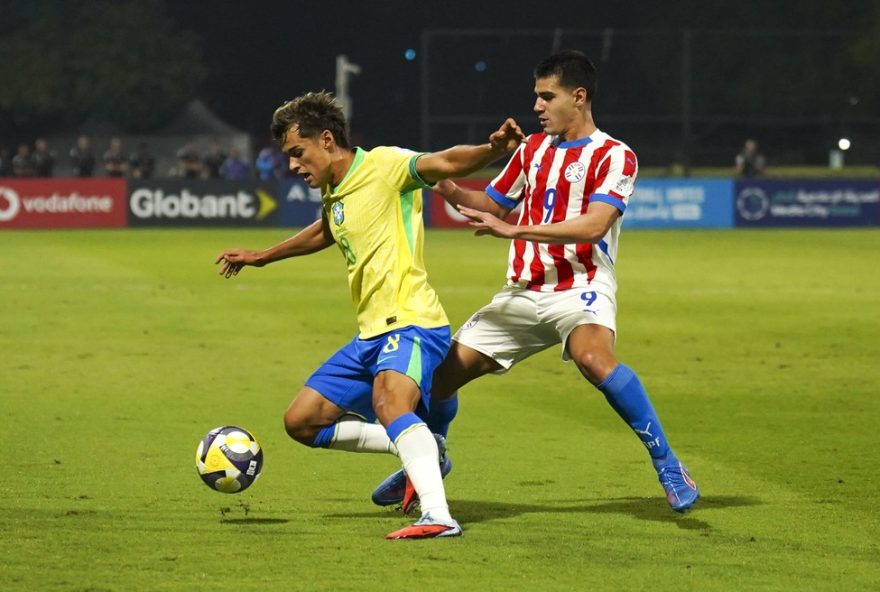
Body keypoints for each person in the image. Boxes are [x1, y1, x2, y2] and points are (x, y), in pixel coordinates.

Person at [372, 50, 700, 514]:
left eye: (548, 97)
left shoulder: (615, 155)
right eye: (537, 97)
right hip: (523, 293)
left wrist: (515, 230)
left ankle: (668, 463)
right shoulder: (532, 150)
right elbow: (491, 205)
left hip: (580, 286)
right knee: (440, 377)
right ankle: (431, 458)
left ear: (579, 97)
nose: (537, 106)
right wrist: (443, 183)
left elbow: (594, 225)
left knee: (592, 358)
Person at [215, 91, 523, 539]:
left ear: (326, 140)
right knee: (301, 421)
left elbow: (445, 162)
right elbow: (328, 229)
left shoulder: (384, 165)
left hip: (412, 321)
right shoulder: (334, 190)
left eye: (298, 152)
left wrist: (492, 150)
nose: (293, 165)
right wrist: (262, 256)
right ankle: (422, 445)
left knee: (389, 404)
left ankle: (438, 516)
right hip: (370, 335)